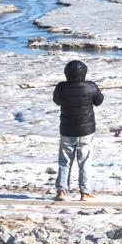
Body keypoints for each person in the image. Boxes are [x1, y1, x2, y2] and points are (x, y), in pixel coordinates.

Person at [52, 60, 104, 201]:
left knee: (65, 161)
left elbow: (56, 101)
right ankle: (85, 192)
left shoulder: (61, 87)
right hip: (86, 131)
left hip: (67, 129)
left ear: (67, 73)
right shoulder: (90, 86)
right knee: (85, 161)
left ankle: (61, 191)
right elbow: (99, 101)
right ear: (84, 73)